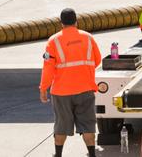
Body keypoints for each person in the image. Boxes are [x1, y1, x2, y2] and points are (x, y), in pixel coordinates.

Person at [39, 8, 102, 157]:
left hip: (62, 92)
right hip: (86, 88)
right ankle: (92, 154)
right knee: (88, 125)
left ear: (61, 23)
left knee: (61, 126)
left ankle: (58, 154)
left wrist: (43, 88)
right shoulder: (88, 38)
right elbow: (97, 60)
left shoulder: (53, 41)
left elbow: (48, 68)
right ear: (76, 21)